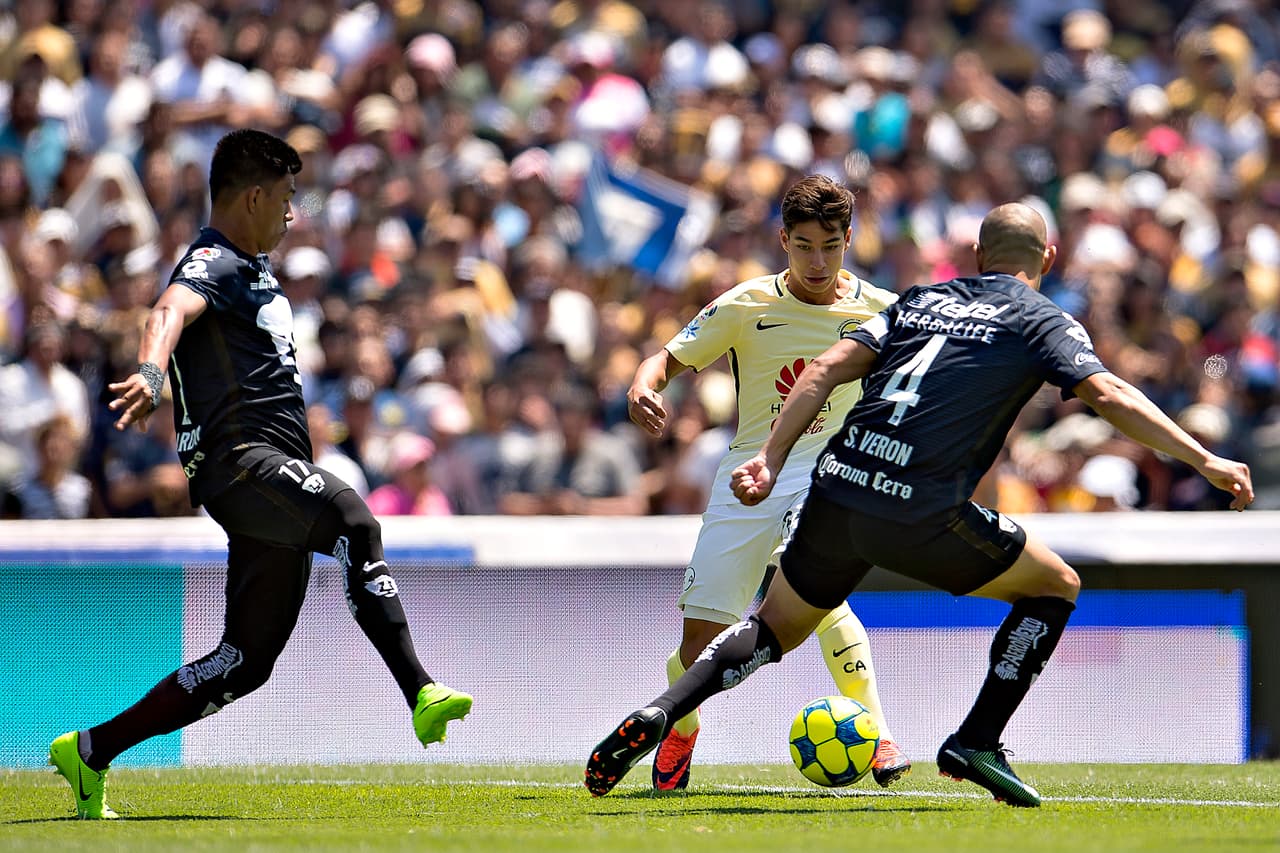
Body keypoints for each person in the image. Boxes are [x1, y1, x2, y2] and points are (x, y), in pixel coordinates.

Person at [586, 202, 1253, 806]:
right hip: (916, 504)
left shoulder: (919, 300)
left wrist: (770, 457)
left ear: (975, 259)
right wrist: (1205, 458)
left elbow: (821, 370)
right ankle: (976, 740)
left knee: (773, 627)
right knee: (1056, 585)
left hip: (836, 483)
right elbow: (1108, 395)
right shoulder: (1039, 318)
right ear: (1048, 260)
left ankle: (665, 707)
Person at [48, 129, 472, 820]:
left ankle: (91, 749)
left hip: (270, 478)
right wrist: (152, 371)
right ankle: (421, 691)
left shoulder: (252, 268)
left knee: (244, 662)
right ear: (252, 196)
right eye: (284, 198)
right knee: (354, 517)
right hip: (241, 464)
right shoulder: (211, 262)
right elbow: (168, 309)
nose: (291, 213)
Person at [625, 174, 910, 791]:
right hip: (750, 475)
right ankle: (681, 728)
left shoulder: (883, 311)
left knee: (813, 585)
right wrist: (643, 386)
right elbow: (666, 358)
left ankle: (879, 733)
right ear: (783, 240)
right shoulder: (745, 303)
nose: (817, 260)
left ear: (848, 240)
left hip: (829, 472)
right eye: (804, 245)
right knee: (698, 642)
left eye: (830, 246)